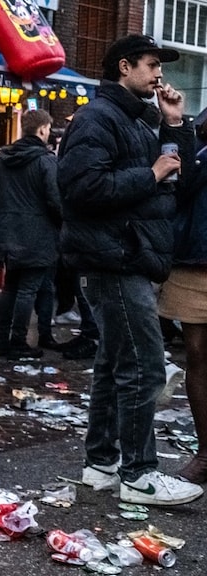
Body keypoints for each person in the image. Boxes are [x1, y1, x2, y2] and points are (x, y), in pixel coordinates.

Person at [58, 34, 203, 505]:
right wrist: (152, 173)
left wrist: (177, 125)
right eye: (151, 64)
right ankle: (140, 475)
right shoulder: (99, 118)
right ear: (124, 67)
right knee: (143, 367)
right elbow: (81, 189)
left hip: (129, 255)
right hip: (114, 257)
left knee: (113, 364)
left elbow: (177, 182)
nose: (159, 73)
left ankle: (101, 464)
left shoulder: (136, 118)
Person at [0, 109, 62, 360]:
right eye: (48, 129)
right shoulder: (46, 161)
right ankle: (18, 341)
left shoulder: (1, 161)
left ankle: (1, 341)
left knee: (10, 288)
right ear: (42, 130)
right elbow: (55, 200)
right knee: (28, 289)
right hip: (39, 234)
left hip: (8, 232)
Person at [159, 119, 207, 485]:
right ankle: (205, 452)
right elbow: (178, 194)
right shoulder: (199, 154)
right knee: (197, 355)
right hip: (195, 262)